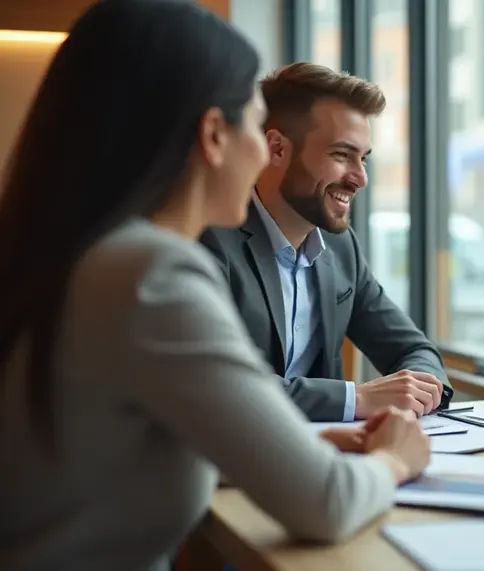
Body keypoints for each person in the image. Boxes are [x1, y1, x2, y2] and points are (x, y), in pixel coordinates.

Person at [0, 2, 429, 570]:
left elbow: (108, 450)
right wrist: (395, 459)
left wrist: (304, 447)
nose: (261, 152)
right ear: (213, 135)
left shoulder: (80, 252)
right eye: (254, 125)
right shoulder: (150, 273)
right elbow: (328, 503)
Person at [200, 62, 451, 422]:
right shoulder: (210, 240)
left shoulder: (340, 247)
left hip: (323, 458)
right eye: (341, 155)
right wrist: (357, 398)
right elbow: (223, 386)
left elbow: (414, 349)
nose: (360, 178)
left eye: (363, 159)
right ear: (277, 149)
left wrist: (417, 390)